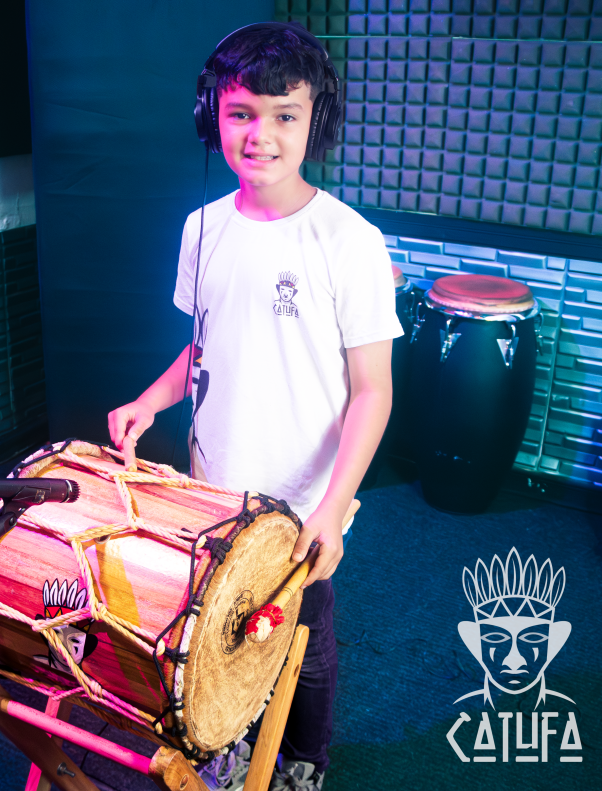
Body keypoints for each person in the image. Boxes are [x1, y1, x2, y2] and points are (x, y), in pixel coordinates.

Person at [107, 24, 402, 791]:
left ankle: (305, 758)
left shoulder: (349, 241)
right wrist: (151, 399)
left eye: (284, 115)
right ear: (212, 114)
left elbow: (374, 389)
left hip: (304, 498)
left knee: (304, 633)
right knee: (222, 628)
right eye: (241, 113)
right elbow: (204, 346)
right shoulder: (201, 228)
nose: (259, 135)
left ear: (316, 121)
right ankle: (231, 737)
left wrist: (332, 506)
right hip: (215, 486)